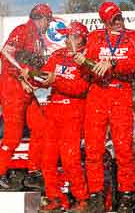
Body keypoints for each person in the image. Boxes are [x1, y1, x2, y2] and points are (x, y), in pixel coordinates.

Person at [74, 1, 135, 213]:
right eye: (112, 19)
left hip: (121, 94)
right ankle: (95, 195)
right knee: (93, 149)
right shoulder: (95, 37)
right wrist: (83, 62)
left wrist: (113, 63)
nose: (117, 22)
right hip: (97, 94)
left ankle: (127, 195)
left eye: (119, 17)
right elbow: (88, 71)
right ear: (104, 22)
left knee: (123, 149)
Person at [0, 4, 52, 191]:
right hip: (11, 87)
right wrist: (20, 74)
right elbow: (5, 53)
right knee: (13, 135)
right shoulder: (23, 30)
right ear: (41, 18)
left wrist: (43, 77)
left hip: (25, 88)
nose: (49, 25)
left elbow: (33, 68)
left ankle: (33, 171)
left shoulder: (39, 39)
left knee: (41, 127)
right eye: (48, 20)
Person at [37, 22, 90, 212]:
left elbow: (81, 88)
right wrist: (31, 76)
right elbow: (44, 76)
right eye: (66, 36)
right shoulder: (57, 55)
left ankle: (82, 199)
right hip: (53, 112)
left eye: (70, 36)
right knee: (47, 159)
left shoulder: (86, 58)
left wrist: (56, 81)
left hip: (73, 113)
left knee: (70, 159)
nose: (66, 39)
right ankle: (55, 199)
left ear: (80, 38)